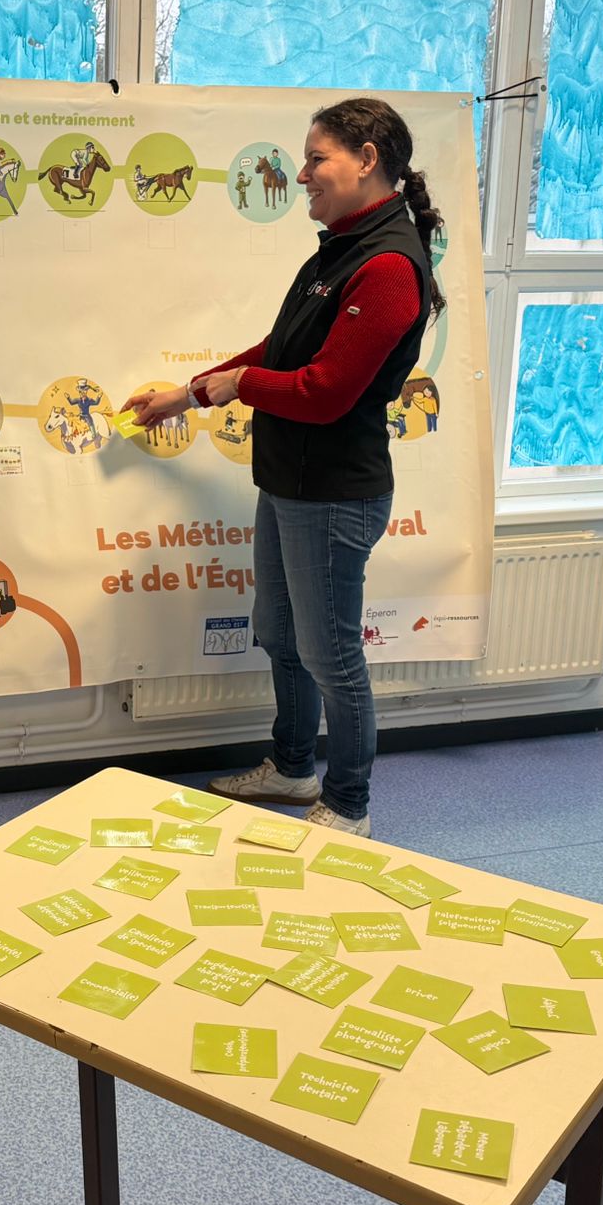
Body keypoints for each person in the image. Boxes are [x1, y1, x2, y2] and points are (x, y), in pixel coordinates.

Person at [129, 98, 444, 839]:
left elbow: (327, 391)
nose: (302, 175)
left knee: (332, 653)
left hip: (334, 495)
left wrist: (237, 389)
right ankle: (293, 765)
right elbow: (279, 351)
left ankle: (349, 803)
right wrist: (187, 394)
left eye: (316, 159)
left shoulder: (391, 265)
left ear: (367, 159)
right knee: (279, 631)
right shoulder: (339, 248)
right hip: (289, 483)